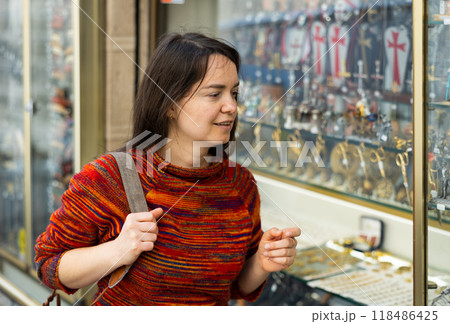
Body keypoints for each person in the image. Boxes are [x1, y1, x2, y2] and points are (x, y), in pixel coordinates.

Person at [35, 32, 301, 306]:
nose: (232, 106)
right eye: (214, 94)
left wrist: (262, 261)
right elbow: (49, 266)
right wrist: (119, 249)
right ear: (170, 105)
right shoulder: (110, 177)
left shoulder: (240, 184)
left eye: (234, 93)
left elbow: (234, 287)